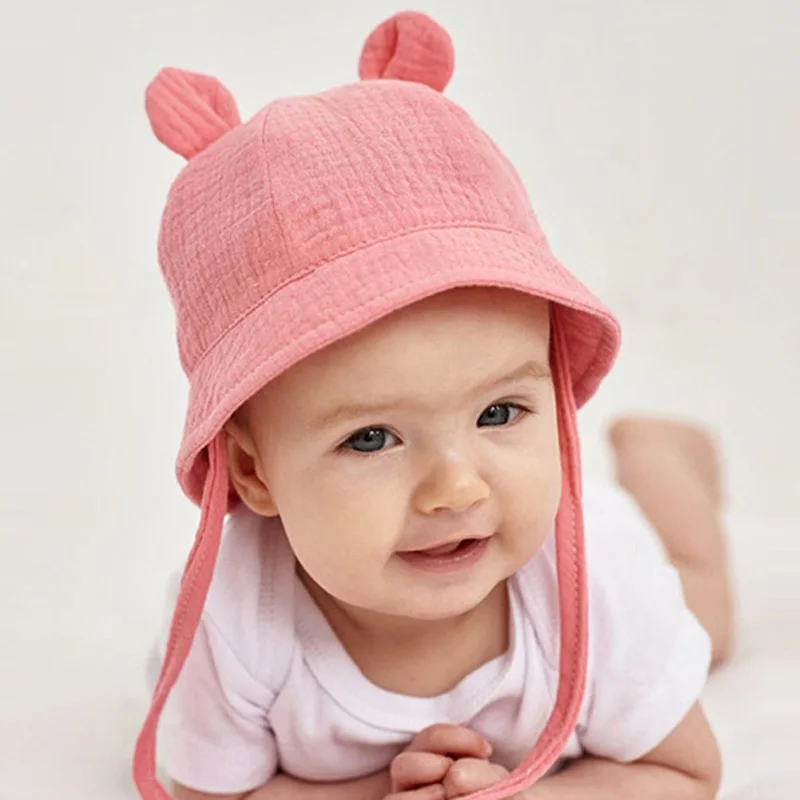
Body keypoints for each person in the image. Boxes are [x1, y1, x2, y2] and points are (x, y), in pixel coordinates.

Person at [134, 11, 732, 800]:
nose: (456, 487)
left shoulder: (597, 585)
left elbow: (683, 772)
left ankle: (662, 459)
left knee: (708, 618)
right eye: (372, 438)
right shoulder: (233, 620)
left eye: (499, 414)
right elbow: (215, 796)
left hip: (608, 553)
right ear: (251, 471)